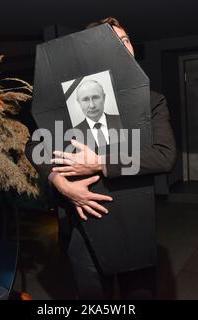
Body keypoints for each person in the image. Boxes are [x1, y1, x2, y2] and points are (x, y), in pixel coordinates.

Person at [26, 17, 176, 299]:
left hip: (134, 224)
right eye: (111, 43)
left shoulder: (151, 101)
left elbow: (164, 157)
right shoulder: (71, 103)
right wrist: (58, 181)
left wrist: (100, 163)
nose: (121, 47)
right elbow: (34, 145)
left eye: (125, 40)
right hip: (84, 228)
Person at [73, 79, 122, 147]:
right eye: (85, 99)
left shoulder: (122, 120)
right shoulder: (74, 133)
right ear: (79, 102)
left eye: (95, 97)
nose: (92, 105)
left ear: (104, 98)